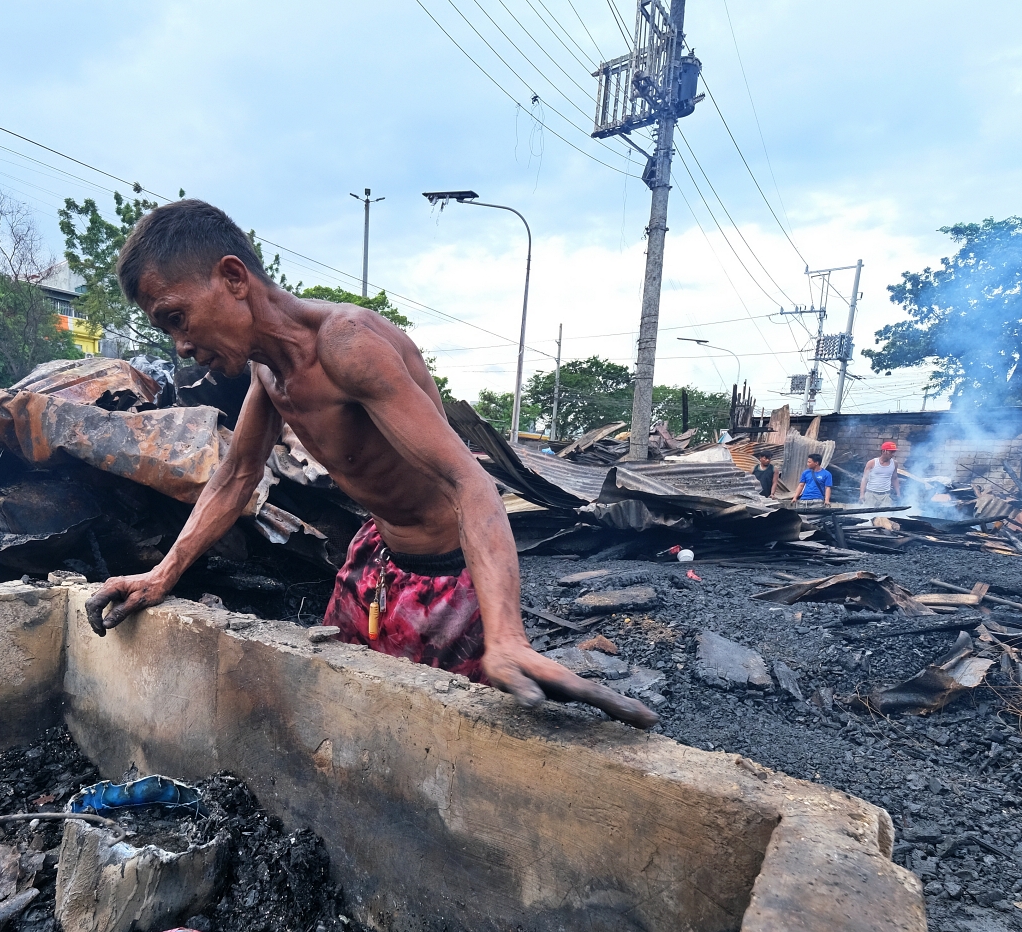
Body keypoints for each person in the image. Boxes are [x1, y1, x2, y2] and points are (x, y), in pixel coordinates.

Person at [83, 199, 656, 728]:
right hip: (376, 561)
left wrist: (506, 635)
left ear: (233, 278)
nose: (179, 345)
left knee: (436, 737)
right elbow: (235, 478)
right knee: (339, 712)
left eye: (176, 318)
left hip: (451, 576)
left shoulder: (347, 345)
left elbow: (471, 485)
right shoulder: (268, 371)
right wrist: (163, 575)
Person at [861, 440, 901, 504]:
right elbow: (865, 479)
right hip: (871, 494)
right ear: (883, 451)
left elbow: (895, 478)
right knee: (868, 513)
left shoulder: (894, 463)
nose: (892, 454)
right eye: (891, 452)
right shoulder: (872, 463)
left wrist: (898, 493)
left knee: (885, 514)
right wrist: (862, 494)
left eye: (894, 452)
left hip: (886, 495)